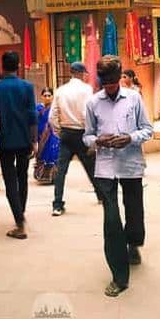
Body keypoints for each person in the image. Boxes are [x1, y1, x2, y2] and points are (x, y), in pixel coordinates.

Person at [83, 55, 153, 297]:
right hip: (105, 167)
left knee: (134, 211)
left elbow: (148, 129)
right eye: (105, 83)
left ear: (120, 77)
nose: (110, 87)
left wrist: (130, 138)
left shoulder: (134, 99)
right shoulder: (93, 103)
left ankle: (134, 243)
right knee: (111, 219)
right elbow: (87, 136)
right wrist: (97, 140)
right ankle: (119, 276)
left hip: (131, 164)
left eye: (113, 82)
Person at [0, 51, 37, 239]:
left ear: (2, 66)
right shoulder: (27, 87)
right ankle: (20, 214)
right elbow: (32, 115)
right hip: (24, 140)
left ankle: (19, 222)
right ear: (19, 66)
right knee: (22, 177)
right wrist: (34, 140)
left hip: (6, 141)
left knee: (10, 181)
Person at [49, 62, 99, 216]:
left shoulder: (60, 90)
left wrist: (59, 131)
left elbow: (52, 116)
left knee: (61, 170)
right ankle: (102, 196)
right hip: (82, 132)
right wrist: (91, 135)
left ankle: (57, 205)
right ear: (82, 73)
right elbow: (88, 114)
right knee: (91, 166)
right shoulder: (87, 90)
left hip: (66, 133)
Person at [34, 87, 60, 184]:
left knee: (52, 153)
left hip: (52, 134)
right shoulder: (38, 108)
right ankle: (41, 175)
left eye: (49, 95)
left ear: (52, 96)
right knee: (41, 153)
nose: (47, 97)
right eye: (45, 95)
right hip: (41, 135)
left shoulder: (54, 108)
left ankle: (53, 177)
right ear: (41, 96)